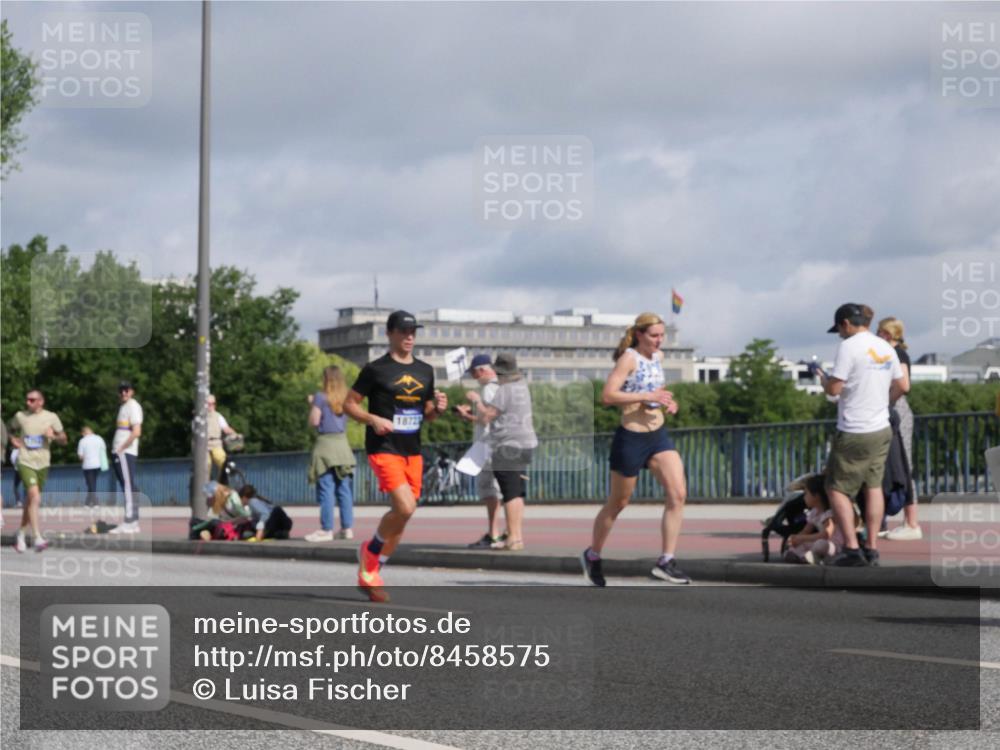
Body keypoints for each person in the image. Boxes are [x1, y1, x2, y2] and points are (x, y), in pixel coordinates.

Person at [344, 310, 447, 602]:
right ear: (389, 334)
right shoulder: (376, 369)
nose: (409, 337)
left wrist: (438, 409)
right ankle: (371, 552)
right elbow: (349, 405)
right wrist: (372, 419)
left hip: (412, 450)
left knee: (403, 516)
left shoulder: (425, 370)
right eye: (403, 331)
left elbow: (427, 415)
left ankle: (372, 572)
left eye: (413, 332)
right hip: (384, 447)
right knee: (405, 506)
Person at [581, 312, 691, 586]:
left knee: (678, 494)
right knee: (618, 503)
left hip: (658, 436)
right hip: (631, 437)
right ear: (639, 334)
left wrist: (667, 401)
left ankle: (666, 561)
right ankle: (593, 555)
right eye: (654, 335)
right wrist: (646, 396)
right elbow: (607, 395)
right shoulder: (628, 358)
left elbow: (656, 388)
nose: (659, 340)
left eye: (662, 335)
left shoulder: (658, 357)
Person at [816, 303, 906, 567]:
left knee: (836, 488)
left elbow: (835, 389)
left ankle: (852, 549)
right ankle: (872, 548)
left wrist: (824, 381)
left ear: (845, 323)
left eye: (839, 330)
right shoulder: (885, 347)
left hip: (854, 428)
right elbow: (902, 385)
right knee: (873, 486)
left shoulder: (849, 346)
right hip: (881, 427)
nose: (840, 335)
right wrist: (883, 404)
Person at [476, 353, 537, 551]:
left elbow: (487, 417)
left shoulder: (505, 390)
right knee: (517, 492)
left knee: (509, 493)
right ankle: (516, 537)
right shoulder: (522, 386)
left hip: (507, 446)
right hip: (526, 443)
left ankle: (513, 539)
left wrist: (477, 402)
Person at [454, 353, 505, 548]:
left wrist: (476, 401)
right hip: (493, 445)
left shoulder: (489, 389)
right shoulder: (499, 387)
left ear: (482, 370)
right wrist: (467, 416)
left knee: (491, 491)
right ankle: (497, 533)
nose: (474, 378)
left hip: (489, 446)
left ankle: (494, 534)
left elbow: (487, 418)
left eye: (474, 374)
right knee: (495, 491)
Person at [876, 316, 920, 541]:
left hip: (896, 411)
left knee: (903, 464)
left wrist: (885, 402)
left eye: (879, 331)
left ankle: (911, 522)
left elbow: (904, 385)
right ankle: (881, 519)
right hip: (890, 410)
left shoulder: (898, 354)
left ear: (887, 333)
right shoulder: (890, 354)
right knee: (887, 466)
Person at [8, 389, 68, 552]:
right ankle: (37, 537)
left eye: (32, 400)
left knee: (30, 501)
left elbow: (64, 440)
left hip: (43, 463)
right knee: (35, 496)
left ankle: (21, 534)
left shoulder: (51, 417)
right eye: (27, 399)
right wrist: (12, 439)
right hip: (25, 461)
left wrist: (54, 436)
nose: (28, 402)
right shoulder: (20, 416)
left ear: (41, 402)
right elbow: (9, 429)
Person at [306, 366, 357, 542]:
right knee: (344, 489)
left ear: (326, 379)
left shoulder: (320, 397)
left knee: (326, 489)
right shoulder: (346, 398)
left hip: (325, 445)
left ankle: (326, 529)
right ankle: (347, 528)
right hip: (343, 445)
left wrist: (313, 404)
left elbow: (314, 421)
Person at [783, 474, 848, 564]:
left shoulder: (828, 514)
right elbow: (806, 531)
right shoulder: (814, 512)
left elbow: (826, 535)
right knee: (802, 544)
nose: (804, 497)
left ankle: (811, 557)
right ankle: (804, 556)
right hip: (822, 542)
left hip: (835, 546)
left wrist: (802, 538)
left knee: (820, 544)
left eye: (806, 494)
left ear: (816, 496)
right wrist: (796, 538)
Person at [110, 380, 143, 534]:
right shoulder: (124, 407)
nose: (123, 392)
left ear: (132, 391)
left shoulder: (132, 406)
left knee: (128, 486)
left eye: (126, 390)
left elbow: (137, 431)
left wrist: (122, 448)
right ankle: (133, 522)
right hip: (121, 452)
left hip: (125, 452)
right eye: (121, 390)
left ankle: (130, 521)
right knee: (127, 485)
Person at [204, 394, 237, 482]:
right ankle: (205, 485)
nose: (211, 406)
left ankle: (221, 481)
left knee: (222, 460)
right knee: (206, 465)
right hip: (204, 446)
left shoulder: (218, 416)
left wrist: (235, 433)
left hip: (216, 443)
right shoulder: (201, 417)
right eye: (209, 404)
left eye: (213, 404)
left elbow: (226, 428)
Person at [77, 425, 108, 507]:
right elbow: (103, 450)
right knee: (92, 483)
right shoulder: (99, 438)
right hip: (98, 464)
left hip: (87, 465)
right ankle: (87, 503)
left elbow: (80, 456)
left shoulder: (82, 441)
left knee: (91, 484)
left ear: (83, 433)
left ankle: (95, 503)